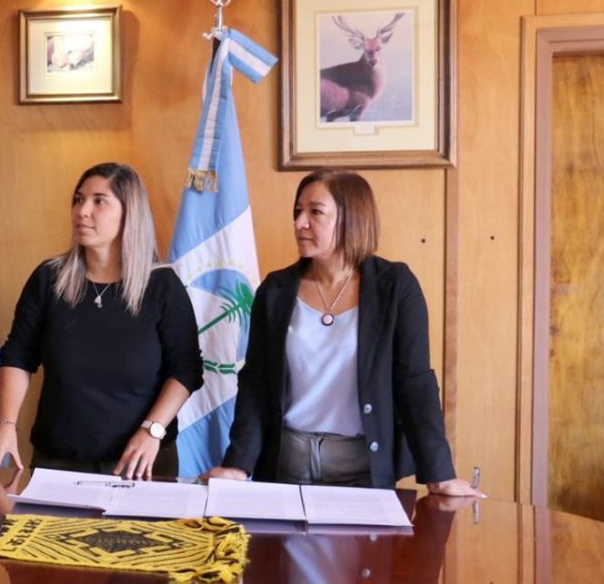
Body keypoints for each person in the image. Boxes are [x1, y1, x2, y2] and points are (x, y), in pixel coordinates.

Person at [201, 169, 481, 496]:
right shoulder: (275, 290)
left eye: (315, 212)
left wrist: (439, 475)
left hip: (364, 470)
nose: (299, 223)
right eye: (298, 211)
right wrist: (237, 465)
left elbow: (415, 384)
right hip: (285, 467)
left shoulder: (395, 286)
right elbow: (256, 386)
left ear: (351, 219)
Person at [0, 162, 203, 479]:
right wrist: (6, 423)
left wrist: (153, 430)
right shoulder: (48, 279)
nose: (82, 211)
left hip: (140, 461)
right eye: (78, 200)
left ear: (129, 213)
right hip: (57, 461)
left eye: (99, 201)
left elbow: (186, 370)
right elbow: (18, 356)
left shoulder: (163, 286)